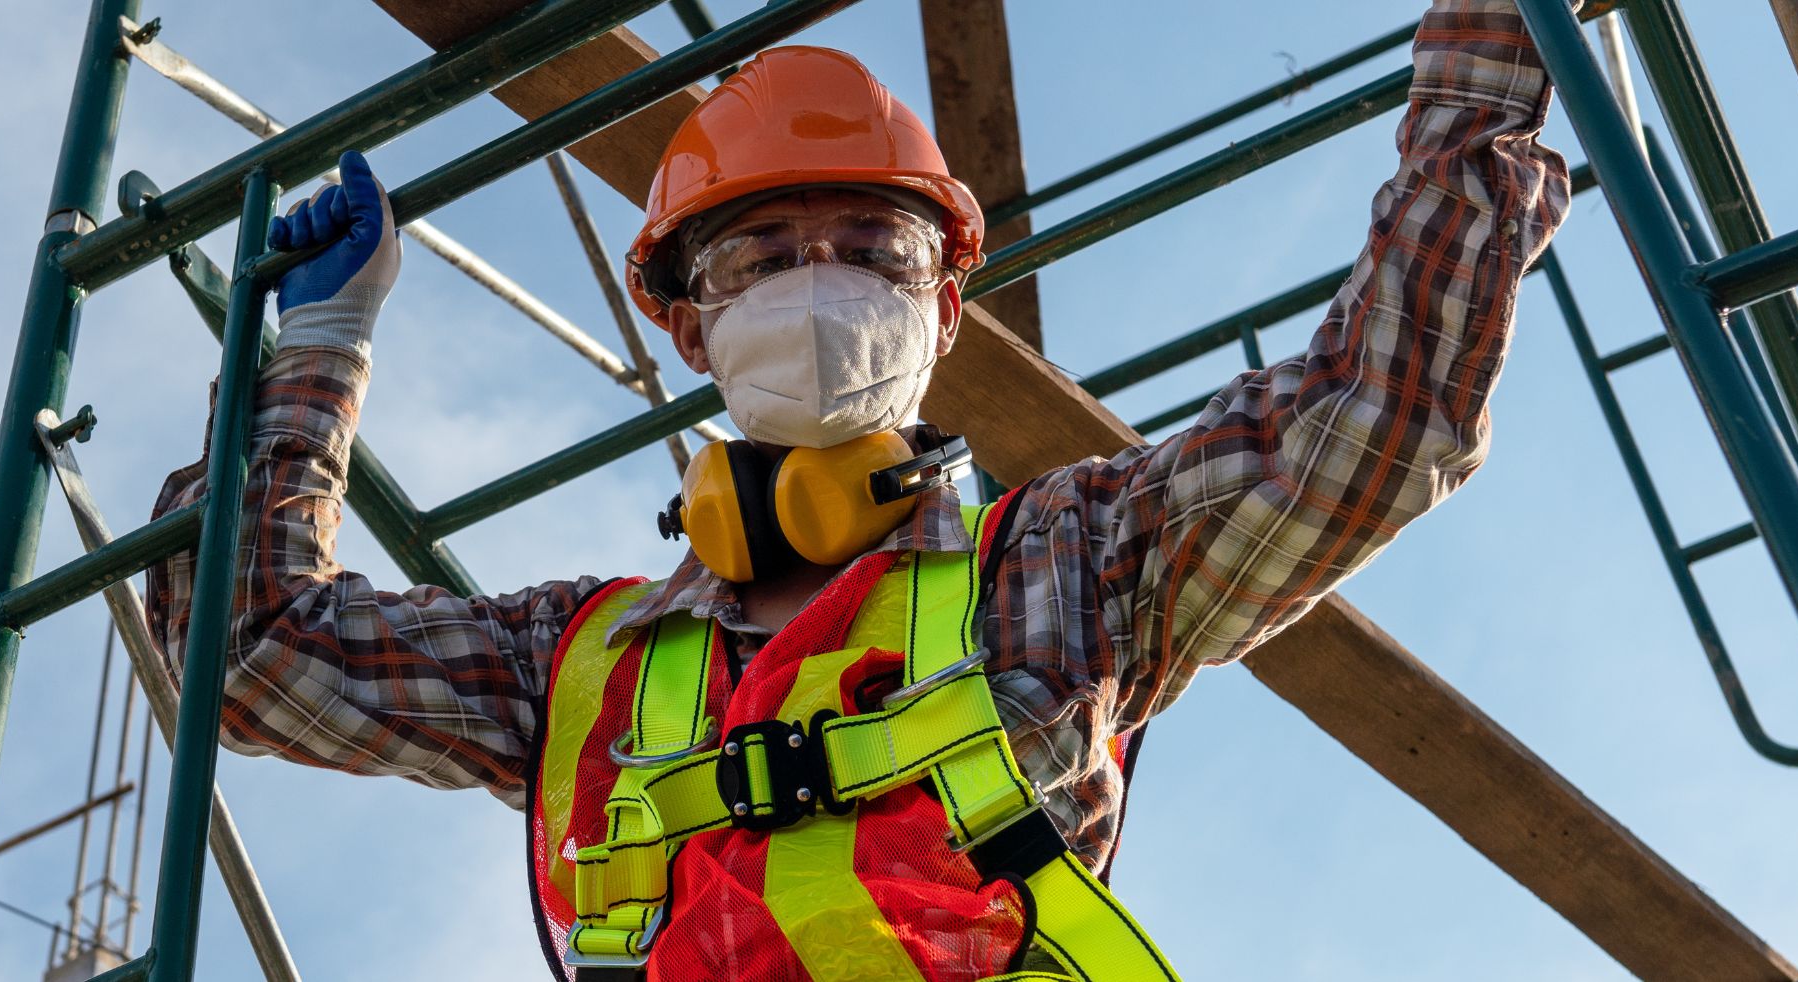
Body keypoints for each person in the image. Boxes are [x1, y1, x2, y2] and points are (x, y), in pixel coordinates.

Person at [145, 2, 1565, 978]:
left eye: (869, 251)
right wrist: (314, 352)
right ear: (689, 328)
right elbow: (254, 655)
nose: (815, 284)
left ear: (947, 312)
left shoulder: (1065, 570)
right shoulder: (576, 664)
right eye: (759, 257)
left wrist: (1492, 45)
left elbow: (1374, 418)